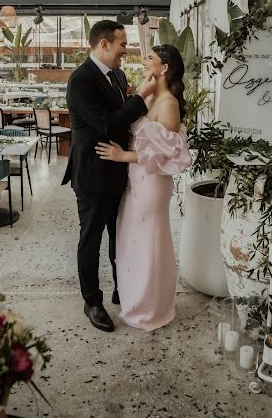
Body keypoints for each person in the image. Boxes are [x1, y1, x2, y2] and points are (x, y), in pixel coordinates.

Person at [62, 20, 156, 333]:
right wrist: (140, 98)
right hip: (92, 174)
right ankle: (92, 301)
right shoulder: (80, 81)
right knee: (91, 239)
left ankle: (122, 287)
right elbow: (108, 124)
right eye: (122, 44)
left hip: (118, 171)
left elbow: (123, 117)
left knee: (120, 235)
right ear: (104, 44)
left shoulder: (116, 75)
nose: (125, 52)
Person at [95, 44, 191, 331]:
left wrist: (123, 155)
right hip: (135, 180)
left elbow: (169, 153)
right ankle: (136, 299)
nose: (144, 60)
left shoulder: (169, 104)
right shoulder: (151, 98)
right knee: (130, 241)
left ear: (165, 68)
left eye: (150, 57)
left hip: (152, 182)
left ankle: (151, 308)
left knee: (148, 242)